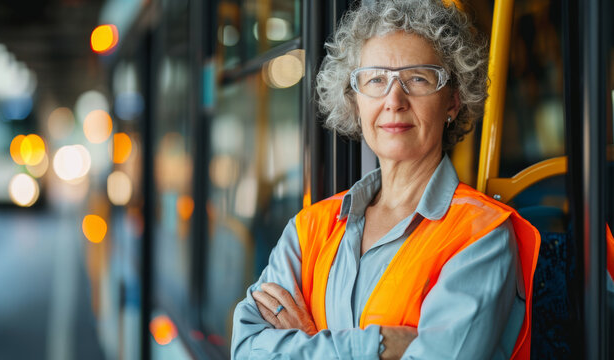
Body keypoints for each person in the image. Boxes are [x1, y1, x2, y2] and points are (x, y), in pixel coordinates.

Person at [231, 0, 540, 359]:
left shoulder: (481, 235)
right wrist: (378, 345)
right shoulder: (309, 228)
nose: (394, 100)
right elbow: (245, 348)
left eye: (418, 78)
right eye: (376, 79)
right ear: (355, 101)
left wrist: (308, 339)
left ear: (453, 101)